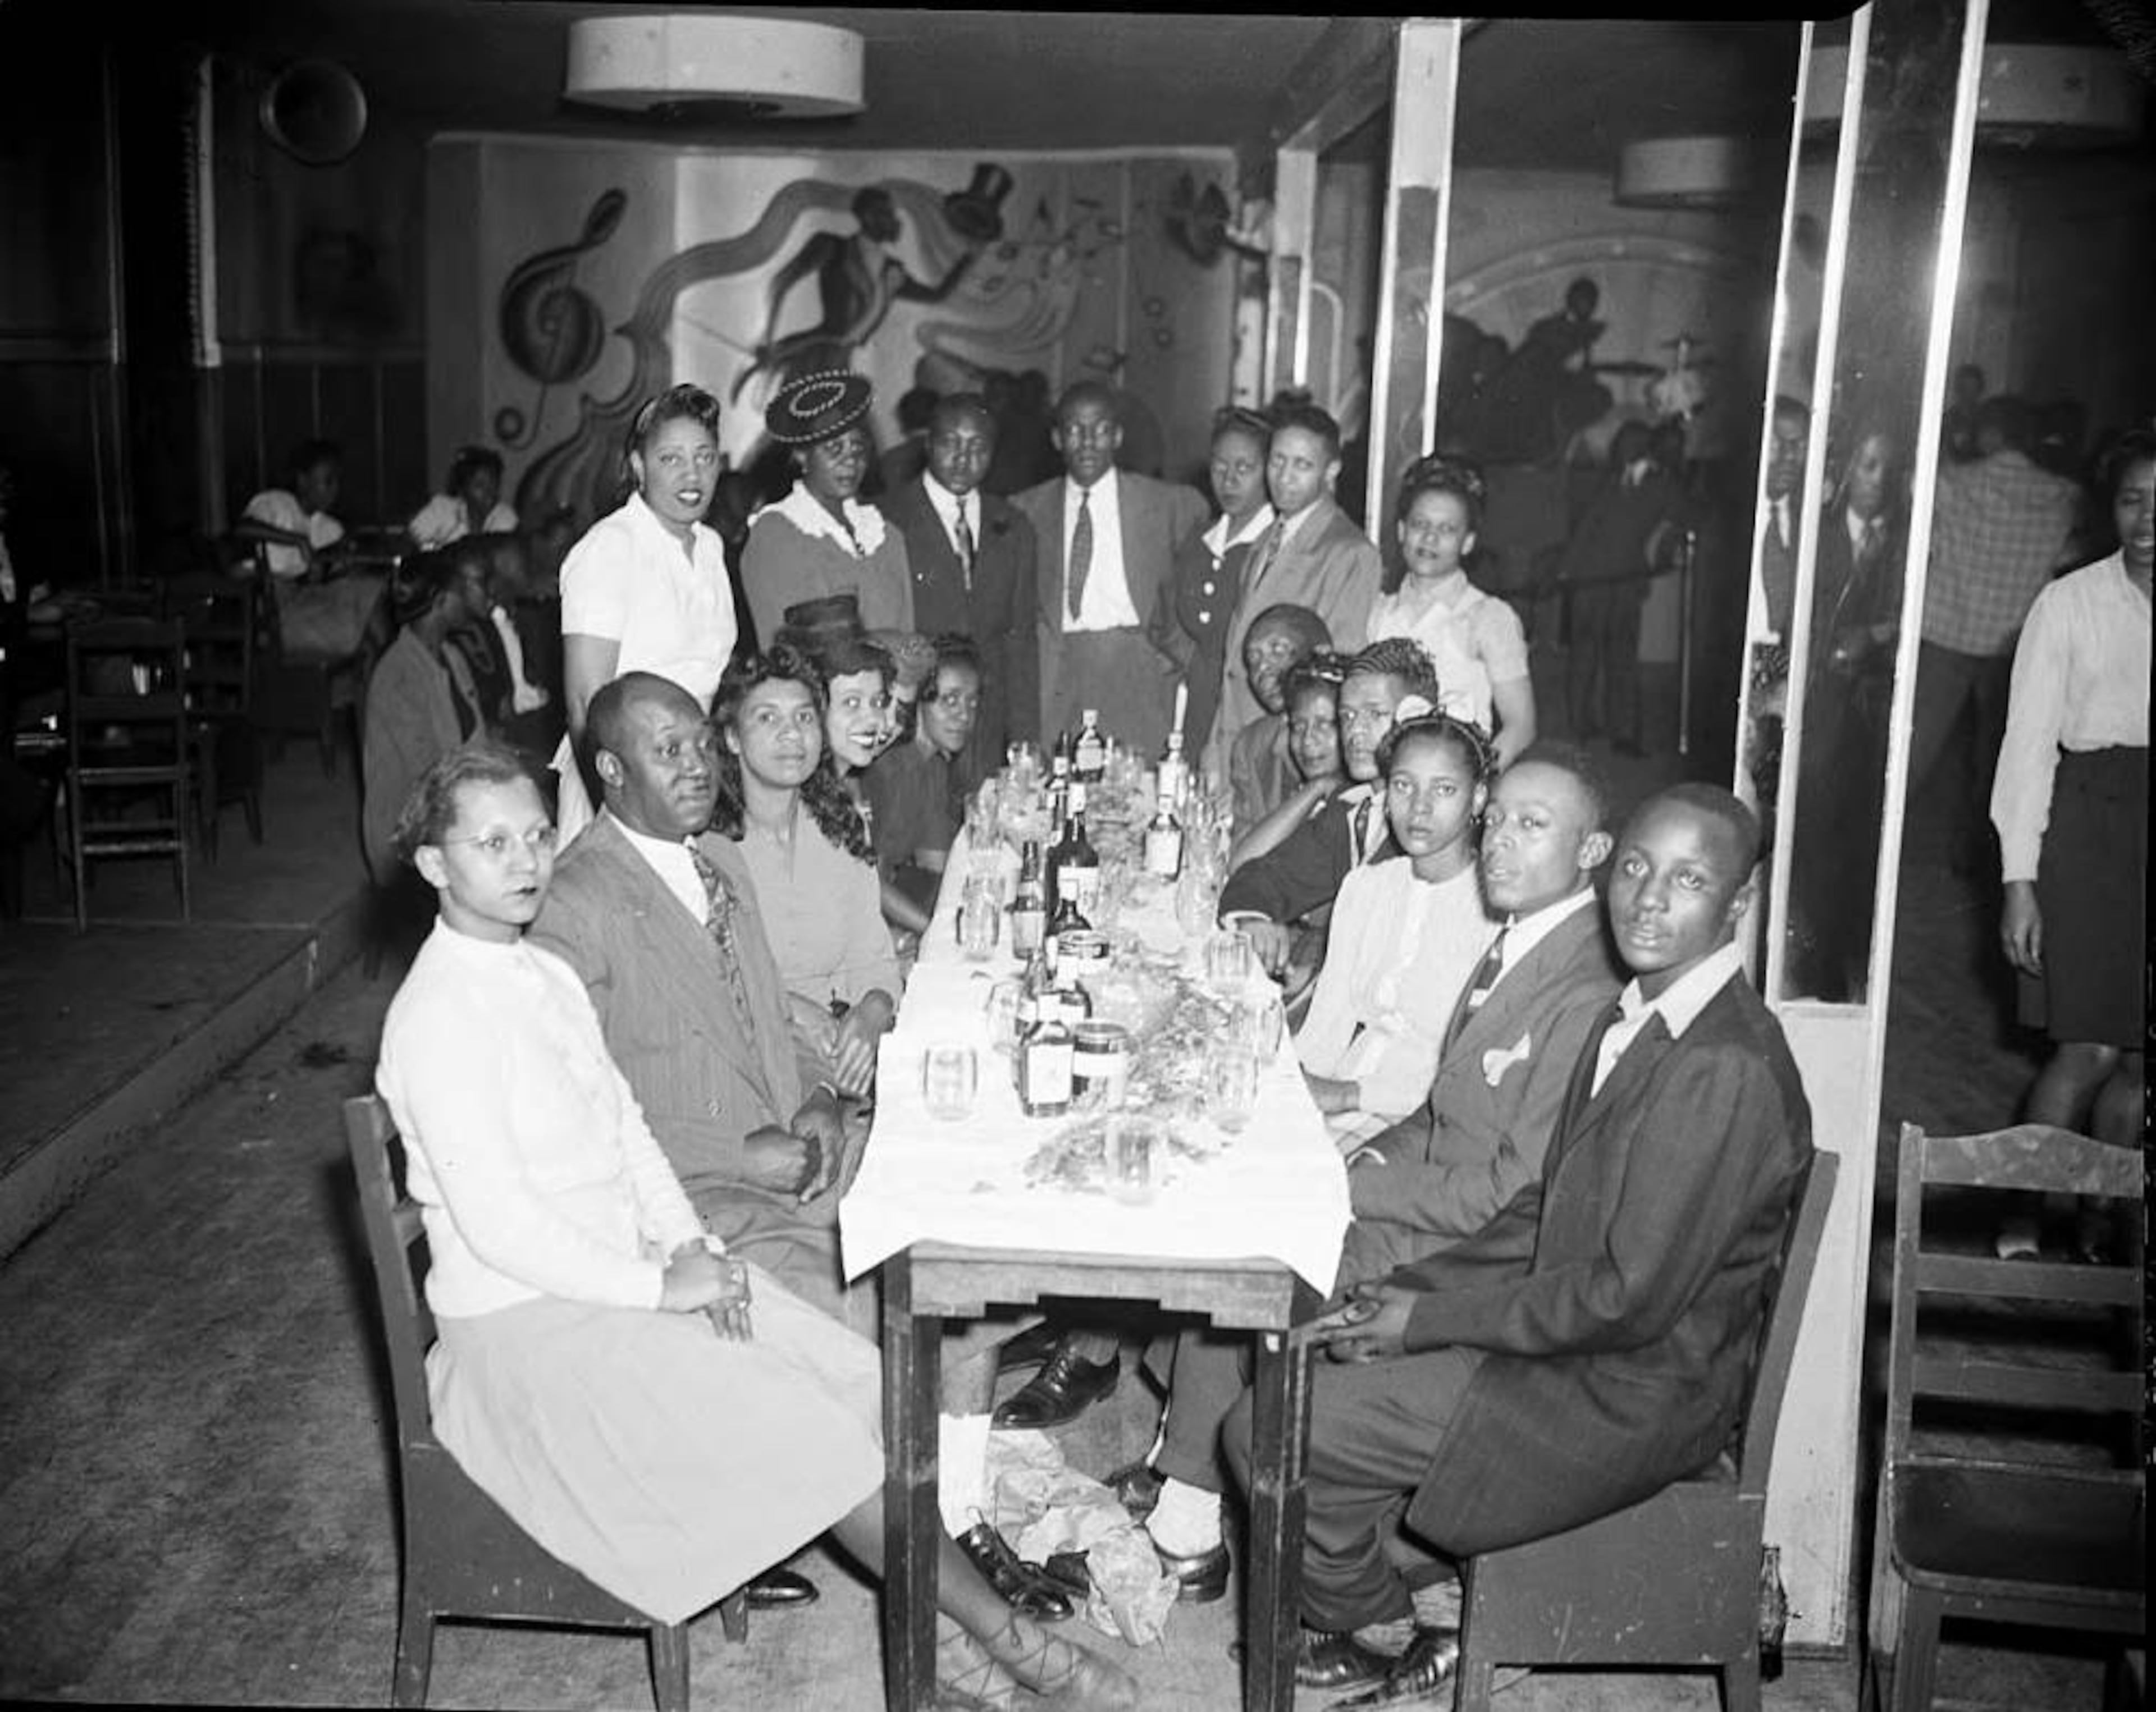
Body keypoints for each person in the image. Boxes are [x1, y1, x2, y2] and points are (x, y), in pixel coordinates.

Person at [373, 741, 1137, 1710]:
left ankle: (957, 1659)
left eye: (534, 836)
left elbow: (627, 1130)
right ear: (434, 863)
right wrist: (662, 1286)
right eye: (493, 845)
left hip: (613, 1277)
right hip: (525, 1332)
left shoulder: (537, 974)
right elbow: (503, 1231)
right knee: (816, 1434)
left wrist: (691, 1246)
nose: (527, 861)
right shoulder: (438, 1016)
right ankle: (1020, 1649)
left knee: (858, 1379)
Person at [1217, 783, 1812, 1704]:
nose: (1649, 899)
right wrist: (1411, 1290)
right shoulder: (1641, 1018)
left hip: (1626, 1388)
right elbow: (1546, 1211)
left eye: (1688, 880)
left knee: (1274, 1428)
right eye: (1637, 869)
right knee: (1307, 1346)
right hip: (1576, 1341)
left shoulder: (1722, 1065)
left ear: (1739, 903)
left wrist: (1427, 1323)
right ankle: (1427, 1588)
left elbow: (1627, 1298)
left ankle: (1375, 1615)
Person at [1113, 744, 1621, 1598]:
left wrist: (1353, 1183)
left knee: (1260, 1254)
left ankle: (1197, 1517)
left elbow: (1513, 1192)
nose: (1499, 842)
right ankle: (1190, 1489)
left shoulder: (1586, 985)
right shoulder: (1524, 937)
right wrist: (1363, 1156)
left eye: (1532, 826)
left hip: (1477, 1255)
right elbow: (1443, 1106)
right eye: (1500, 819)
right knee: (1246, 1218)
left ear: (1593, 850)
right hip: (1428, 1194)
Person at [1990, 429, 2151, 1260]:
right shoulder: (2069, 603)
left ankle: (2099, 1224)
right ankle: (2025, 1215)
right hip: (2089, 830)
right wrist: (2019, 878)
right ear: (2107, 507)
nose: (2148, 520)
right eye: (2132, 500)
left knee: (2138, 1063)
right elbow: (2026, 745)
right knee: (2085, 1045)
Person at [1295, 713, 1499, 1147]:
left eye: (1444, 790)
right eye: (1404, 785)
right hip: (1341, 1092)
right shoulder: (1367, 887)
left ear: (1478, 798)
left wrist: (1349, 1095)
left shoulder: (1494, 914)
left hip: (1424, 1121)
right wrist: (1293, 1088)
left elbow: (1471, 1074)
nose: (1419, 807)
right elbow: (1328, 1022)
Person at [554, 384, 738, 848]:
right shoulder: (611, 547)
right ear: (639, 466)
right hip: (624, 784)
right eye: (671, 459)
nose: (692, 474)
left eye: (704, 457)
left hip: (691, 776)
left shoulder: (711, 547)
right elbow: (584, 703)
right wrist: (617, 812)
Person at [1908, 395, 2082, 874]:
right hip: (2015, 646)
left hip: (1947, 637)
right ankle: (1979, 860)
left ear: (1990, 435)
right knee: (1997, 760)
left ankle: (1873, 846)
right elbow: (2074, 551)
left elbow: (1919, 510)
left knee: (1912, 751)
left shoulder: (1952, 483)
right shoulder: (2062, 496)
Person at [1217, 637, 1443, 992]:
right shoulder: (1355, 809)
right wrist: (1254, 918)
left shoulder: (1435, 826)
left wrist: (1312, 983)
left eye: (1375, 714)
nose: (1356, 731)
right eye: (1348, 716)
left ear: (1417, 717)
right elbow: (1265, 875)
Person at [712, 647, 901, 1060]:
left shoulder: (840, 826)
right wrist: (790, 1009)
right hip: (750, 1055)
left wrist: (873, 1012)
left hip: (841, 1044)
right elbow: (706, 981)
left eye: (804, 717)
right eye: (768, 718)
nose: (792, 734)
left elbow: (874, 958)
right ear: (732, 738)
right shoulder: (709, 848)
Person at [1014, 381, 1209, 754]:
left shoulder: (1172, 506)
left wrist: (1174, 656)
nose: (1088, 442)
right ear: (1057, 439)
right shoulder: (1025, 510)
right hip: (1058, 669)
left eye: (1101, 430)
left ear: (1118, 436)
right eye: (1074, 430)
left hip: (1137, 664)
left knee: (1137, 777)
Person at [1783, 423, 1904, 1003]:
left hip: (1871, 707)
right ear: (1846, 469)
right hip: (1819, 702)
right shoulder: (1820, 534)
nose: (1876, 480)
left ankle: (1841, 952)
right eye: (1868, 464)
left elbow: (1911, 615)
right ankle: (1814, 960)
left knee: (1858, 834)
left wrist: (1878, 633)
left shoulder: (1901, 543)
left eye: (1887, 467)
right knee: (1814, 830)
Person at [880, 392, 1040, 776]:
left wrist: (1025, 740)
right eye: (951, 444)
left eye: (977, 448)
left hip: (985, 724)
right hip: (913, 725)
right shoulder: (887, 519)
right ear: (928, 444)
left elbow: (1020, 641)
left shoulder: (1014, 526)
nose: (963, 459)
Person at [1211, 402, 1383, 753]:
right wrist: (1215, 747)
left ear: (1331, 470)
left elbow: (1336, 670)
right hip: (1234, 736)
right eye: (1278, 461)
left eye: (1302, 465)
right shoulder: (1266, 540)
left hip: (1285, 748)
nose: (1285, 476)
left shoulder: (1350, 552)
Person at [1369, 454, 1535, 766]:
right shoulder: (1378, 611)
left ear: (1468, 542)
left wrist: (1478, 780)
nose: (1430, 538)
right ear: (1402, 531)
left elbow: (1520, 726)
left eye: (1447, 529)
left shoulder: (1488, 616)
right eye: (1420, 525)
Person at [742, 372, 919, 658]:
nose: (850, 461)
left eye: (858, 448)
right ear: (802, 455)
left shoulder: (887, 536)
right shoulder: (775, 535)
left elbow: (909, 639)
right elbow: (789, 649)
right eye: (834, 449)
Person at [1150, 406, 1276, 765]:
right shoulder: (1200, 539)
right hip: (1198, 703)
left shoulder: (1275, 547)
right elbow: (1166, 618)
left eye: (1244, 468)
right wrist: (1191, 663)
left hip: (1251, 710)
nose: (1229, 480)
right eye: (1220, 467)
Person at [360, 550, 492, 893]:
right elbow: (429, 779)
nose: (468, 600)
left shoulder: (451, 657)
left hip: (451, 815)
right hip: (409, 839)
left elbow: (476, 743)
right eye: (461, 592)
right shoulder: (399, 676)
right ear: (441, 602)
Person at [1557, 421, 1687, 755]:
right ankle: (1581, 726)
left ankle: (1624, 733)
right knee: (1585, 655)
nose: (1621, 452)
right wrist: (1568, 570)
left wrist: (1669, 549)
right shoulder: (1608, 480)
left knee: (1623, 659)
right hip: (1590, 582)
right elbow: (1586, 526)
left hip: (1626, 583)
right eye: (1620, 447)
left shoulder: (1662, 484)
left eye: (1628, 446)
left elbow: (1681, 519)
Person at [235, 437, 391, 661]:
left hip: (309, 598)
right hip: (275, 608)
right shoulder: (275, 504)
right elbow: (244, 528)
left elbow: (331, 573)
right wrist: (297, 540)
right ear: (302, 481)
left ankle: (388, 669)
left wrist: (342, 565)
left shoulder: (331, 528)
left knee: (371, 591)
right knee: (361, 628)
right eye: (327, 482)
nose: (334, 490)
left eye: (337, 482)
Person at [864, 634, 980, 921]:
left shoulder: (934, 767)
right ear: (919, 700)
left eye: (972, 703)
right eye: (950, 700)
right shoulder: (890, 770)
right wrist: (930, 931)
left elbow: (937, 865)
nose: (964, 716)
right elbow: (869, 885)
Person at [1225, 609, 1334, 839]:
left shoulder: (1352, 741)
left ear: (1321, 653)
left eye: (1278, 651)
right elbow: (1243, 845)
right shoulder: (1251, 746)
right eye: (1253, 660)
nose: (1263, 670)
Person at [406, 445, 517, 551]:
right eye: (480, 485)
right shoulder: (442, 509)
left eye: (494, 483)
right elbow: (408, 542)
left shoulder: (506, 516)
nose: (489, 491)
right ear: (463, 490)